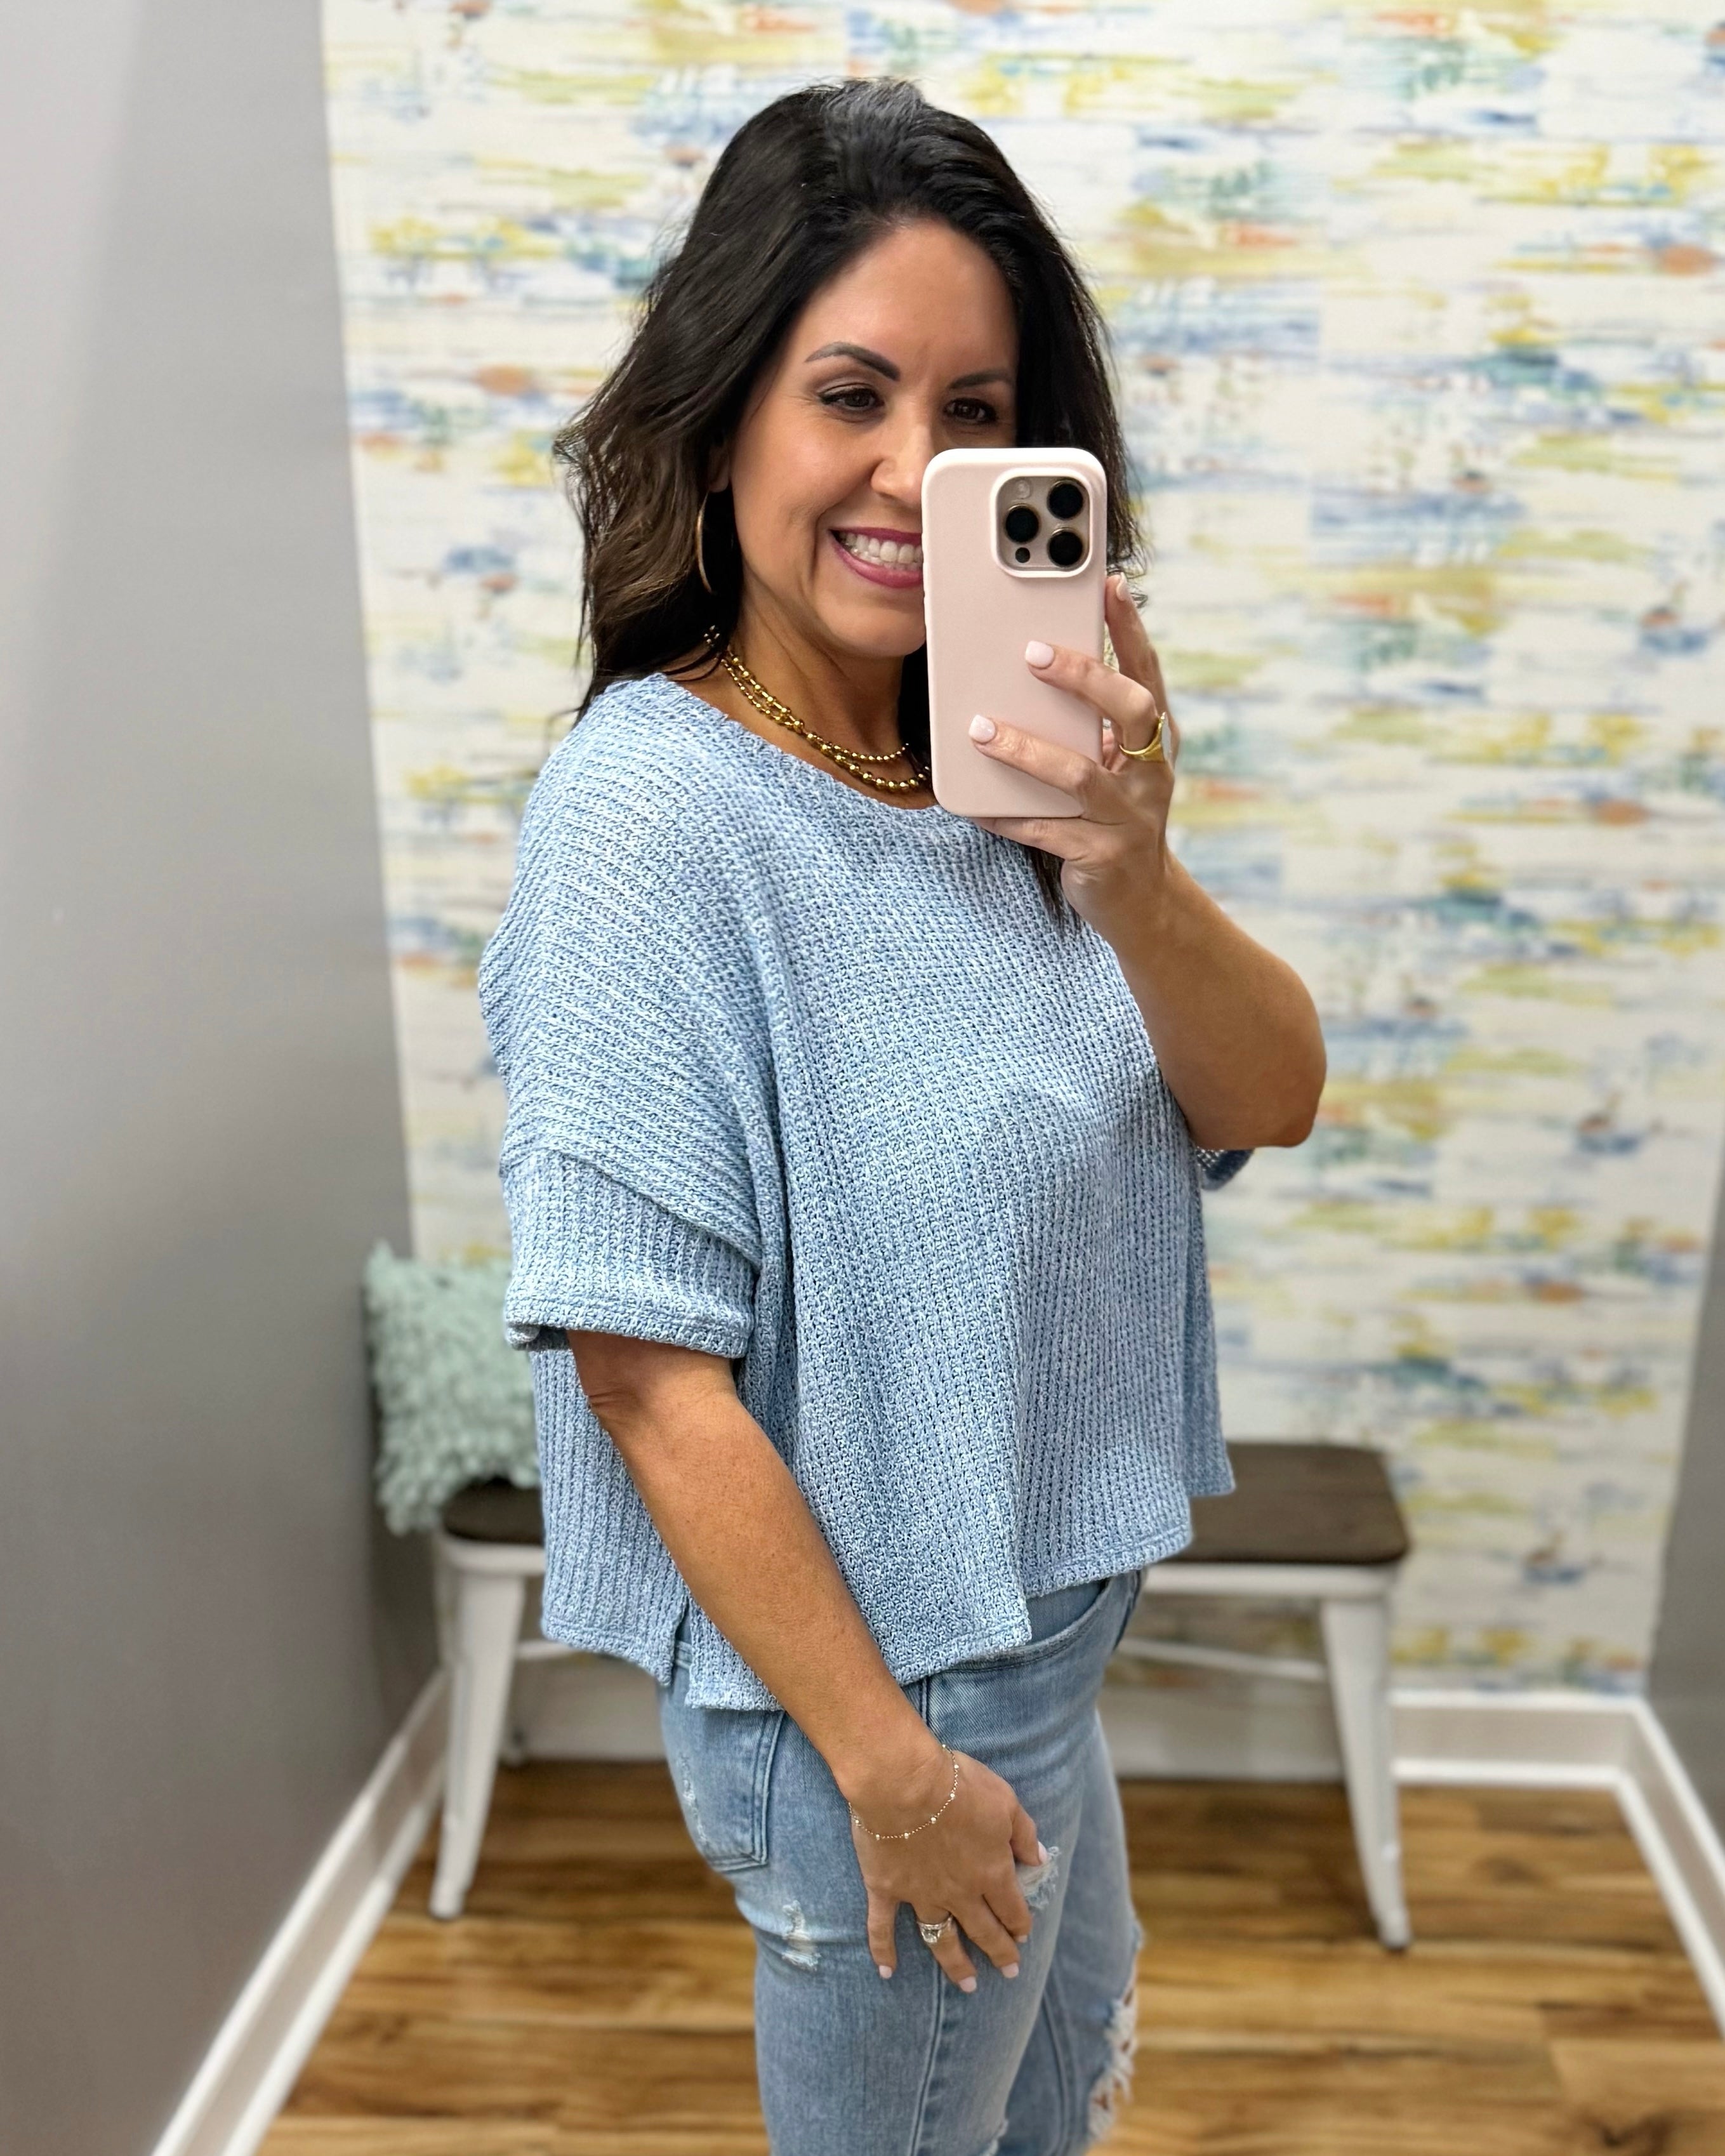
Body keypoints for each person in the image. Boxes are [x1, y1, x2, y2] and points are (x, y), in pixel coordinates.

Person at [479, 77, 1325, 2156]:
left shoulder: (1012, 766)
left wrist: (1133, 869)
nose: (911, 470)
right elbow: (643, 1372)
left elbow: (1270, 1097)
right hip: (886, 1693)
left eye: (976, 413)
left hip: (1034, 1628)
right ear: (725, 420)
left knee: (1057, 2107)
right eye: (851, 395)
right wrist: (889, 1770)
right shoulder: (654, 815)